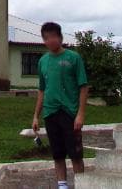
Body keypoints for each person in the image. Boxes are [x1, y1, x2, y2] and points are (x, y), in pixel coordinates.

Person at [32, 21, 89, 189]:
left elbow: (83, 87)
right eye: (46, 38)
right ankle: (62, 185)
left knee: (75, 154)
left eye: (53, 37)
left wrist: (80, 114)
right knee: (57, 155)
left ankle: (80, 185)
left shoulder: (73, 58)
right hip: (50, 113)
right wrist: (36, 116)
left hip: (70, 113)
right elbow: (42, 90)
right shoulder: (43, 61)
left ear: (60, 37)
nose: (50, 41)